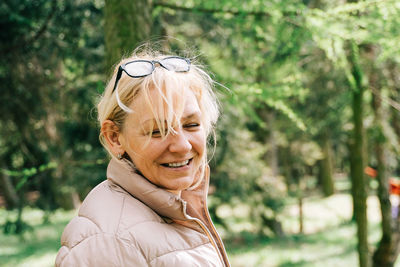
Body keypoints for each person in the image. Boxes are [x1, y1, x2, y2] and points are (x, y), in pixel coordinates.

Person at [55, 49, 230, 266]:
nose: (182, 145)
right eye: (158, 131)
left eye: (192, 125)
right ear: (114, 138)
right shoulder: (109, 242)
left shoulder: (176, 210)